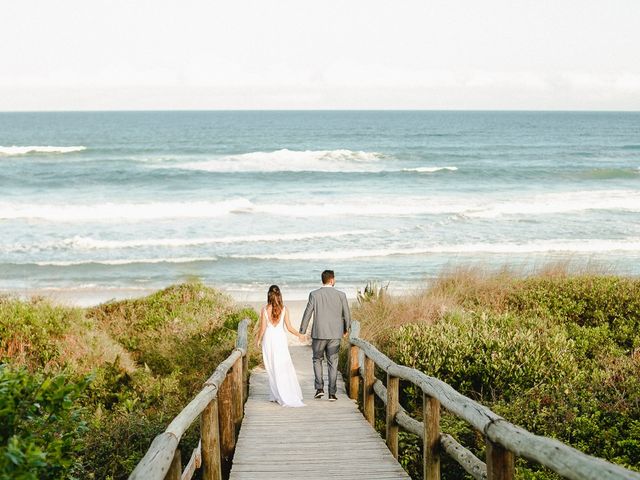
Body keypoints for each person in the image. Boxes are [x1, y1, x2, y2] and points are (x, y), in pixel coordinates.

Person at [299, 270, 351, 401]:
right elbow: (347, 315)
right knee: (333, 362)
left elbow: (307, 313)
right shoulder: (341, 295)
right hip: (335, 334)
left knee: (317, 360)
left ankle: (319, 389)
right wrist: (346, 329)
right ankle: (332, 393)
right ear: (332, 280)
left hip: (319, 333)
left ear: (323, 280)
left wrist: (302, 331)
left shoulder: (314, 295)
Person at [255, 285, 306, 407]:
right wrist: (299, 334)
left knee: (271, 366)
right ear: (279, 295)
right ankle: (278, 394)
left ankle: (276, 394)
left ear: (268, 296)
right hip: (280, 340)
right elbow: (289, 327)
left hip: (269, 340)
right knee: (283, 365)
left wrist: (258, 340)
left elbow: (262, 329)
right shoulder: (284, 309)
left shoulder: (264, 309)